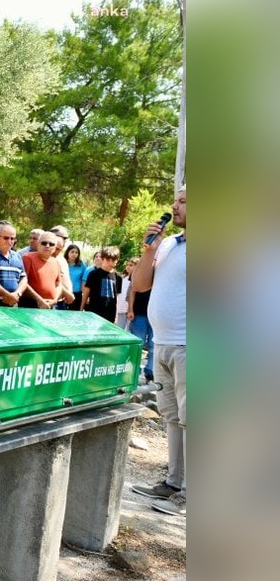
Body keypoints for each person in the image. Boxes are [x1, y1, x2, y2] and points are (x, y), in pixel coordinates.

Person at [130, 187, 186, 516]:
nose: (174, 207)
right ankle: (174, 482)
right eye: (175, 201)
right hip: (161, 344)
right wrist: (148, 250)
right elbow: (139, 285)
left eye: (182, 202)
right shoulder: (167, 244)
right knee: (173, 417)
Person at [124, 258, 154, 382]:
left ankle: (151, 371)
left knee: (154, 345)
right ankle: (134, 372)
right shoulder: (140, 269)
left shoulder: (162, 270)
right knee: (138, 343)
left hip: (155, 314)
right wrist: (130, 309)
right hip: (140, 312)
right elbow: (132, 291)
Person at [0, 221, 26, 306]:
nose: (9, 241)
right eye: (6, 238)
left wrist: (17, 294)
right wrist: (7, 295)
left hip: (13, 303)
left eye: (12, 238)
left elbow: (23, 278)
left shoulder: (17, 256)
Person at [19, 230, 62, 308]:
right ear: (38, 244)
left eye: (51, 244)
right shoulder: (27, 258)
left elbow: (58, 285)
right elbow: (22, 282)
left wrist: (55, 300)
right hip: (30, 305)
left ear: (55, 247)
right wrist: (39, 299)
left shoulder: (56, 262)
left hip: (49, 306)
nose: (47, 246)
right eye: (44, 243)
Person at [79, 246, 122, 323]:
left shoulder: (118, 277)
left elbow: (117, 297)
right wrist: (81, 309)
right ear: (103, 259)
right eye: (108, 260)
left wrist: (116, 315)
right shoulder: (93, 274)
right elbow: (86, 293)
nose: (110, 262)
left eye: (113, 260)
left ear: (117, 260)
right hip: (94, 312)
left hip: (110, 314)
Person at [64, 244, 90, 311]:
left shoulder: (81, 265)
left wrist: (86, 295)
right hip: (63, 293)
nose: (74, 254)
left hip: (77, 294)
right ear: (67, 252)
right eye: (72, 252)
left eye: (76, 252)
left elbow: (85, 279)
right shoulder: (63, 263)